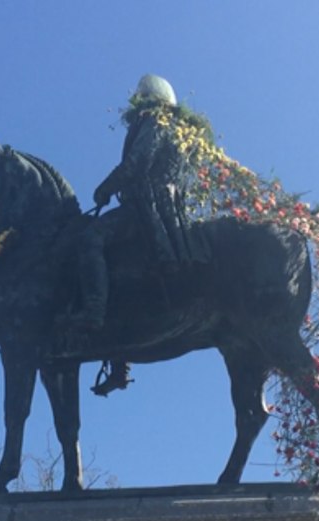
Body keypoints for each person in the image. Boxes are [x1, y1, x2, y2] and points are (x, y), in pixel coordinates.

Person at [79, 75, 213, 396]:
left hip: (146, 207)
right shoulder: (184, 133)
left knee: (91, 238)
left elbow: (138, 163)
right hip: (173, 209)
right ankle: (118, 360)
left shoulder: (154, 121)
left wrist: (106, 187)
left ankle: (94, 313)